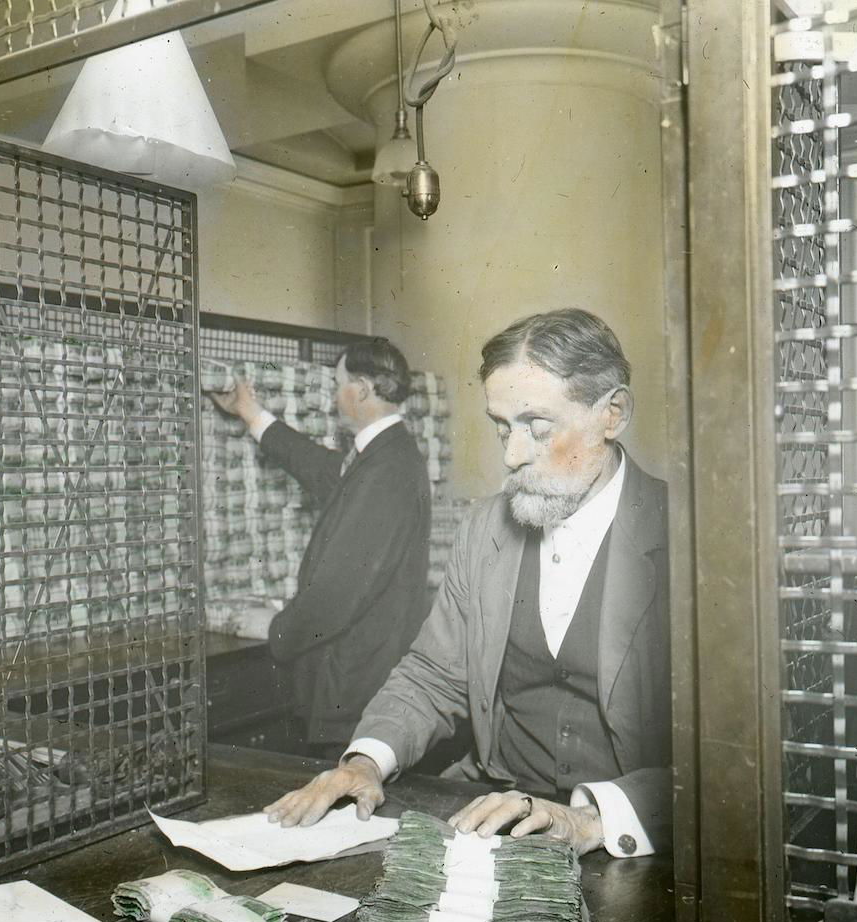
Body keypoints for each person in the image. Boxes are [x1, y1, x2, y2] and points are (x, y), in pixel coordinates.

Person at [263, 308, 669, 857]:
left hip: (625, 839)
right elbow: (434, 673)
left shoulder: (691, 540)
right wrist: (365, 760)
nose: (511, 455)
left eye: (537, 427)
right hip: (492, 811)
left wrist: (594, 820)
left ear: (613, 413)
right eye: (502, 426)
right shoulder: (487, 528)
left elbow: (735, 758)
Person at [211, 339, 432, 759]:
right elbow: (323, 469)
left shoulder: (386, 471)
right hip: (359, 682)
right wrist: (250, 413)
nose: (333, 395)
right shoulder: (386, 455)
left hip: (353, 689)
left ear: (362, 390)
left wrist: (275, 627)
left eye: (338, 383)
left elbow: (337, 594)